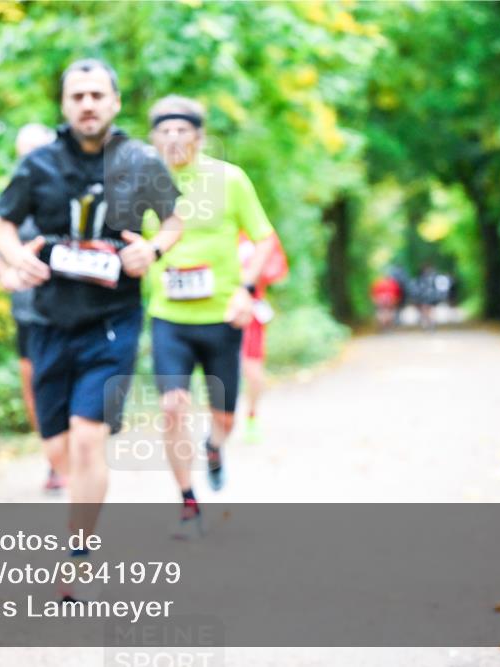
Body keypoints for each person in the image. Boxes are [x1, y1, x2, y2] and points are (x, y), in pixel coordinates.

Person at [0, 59, 181, 599]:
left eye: (98, 95)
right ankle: (77, 504)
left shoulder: (140, 161)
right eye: (78, 96)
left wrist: (153, 248)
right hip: (50, 321)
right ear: (65, 105)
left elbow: (173, 220)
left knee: (89, 440)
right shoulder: (40, 164)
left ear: (116, 103)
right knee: (58, 447)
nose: (88, 104)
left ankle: (77, 553)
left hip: (112, 323)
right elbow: (2, 222)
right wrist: (14, 260)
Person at [143, 95, 277, 533]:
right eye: (165, 130)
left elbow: (263, 239)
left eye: (183, 130)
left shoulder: (230, 179)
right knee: (171, 408)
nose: (174, 138)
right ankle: (187, 503)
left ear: (200, 137)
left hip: (223, 315)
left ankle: (215, 446)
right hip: (169, 317)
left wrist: (245, 290)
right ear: (153, 138)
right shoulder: (141, 183)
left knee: (225, 417)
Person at [0, 123, 64, 493]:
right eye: (24, 152)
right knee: (35, 386)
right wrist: (7, 272)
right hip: (28, 310)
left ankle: (75, 448)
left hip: (70, 308)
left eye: (37, 151)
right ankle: (54, 460)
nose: (30, 159)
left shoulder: (69, 191)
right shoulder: (10, 198)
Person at [239, 230, 289, 444]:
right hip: (217, 311)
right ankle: (221, 419)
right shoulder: (218, 229)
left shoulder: (260, 234)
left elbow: (277, 270)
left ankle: (251, 415)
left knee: (254, 374)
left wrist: (253, 273)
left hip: (252, 314)